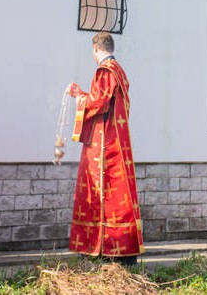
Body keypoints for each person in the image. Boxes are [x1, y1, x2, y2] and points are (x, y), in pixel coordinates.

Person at [66, 31, 143, 261]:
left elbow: (98, 102)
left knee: (104, 191)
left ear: (96, 49)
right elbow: (105, 100)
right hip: (118, 138)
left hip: (105, 143)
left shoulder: (105, 70)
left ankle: (104, 248)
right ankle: (115, 247)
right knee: (116, 191)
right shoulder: (119, 70)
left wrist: (79, 97)